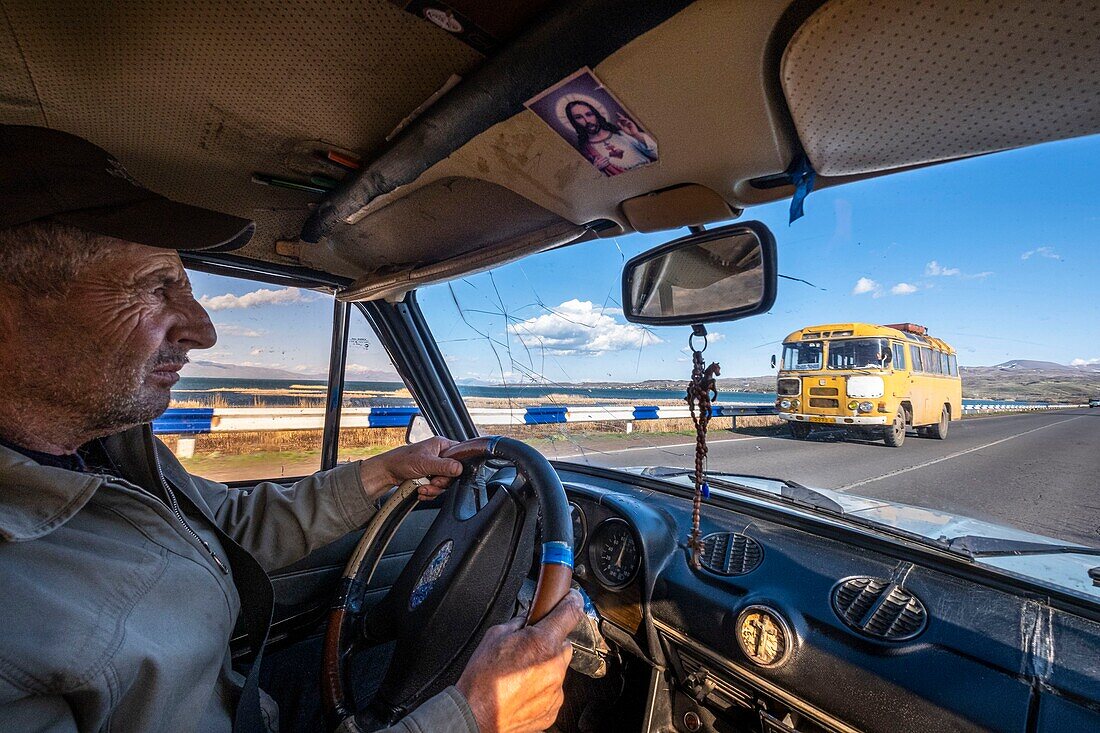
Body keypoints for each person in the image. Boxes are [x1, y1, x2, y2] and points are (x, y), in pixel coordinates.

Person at [0, 125, 583, 733]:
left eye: (187, 287)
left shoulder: (104, 448)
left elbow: (224, 527)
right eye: (153, 288)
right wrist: (472, 719)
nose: (203, 329)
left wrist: (383, 470)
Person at [564, 100, 658, 176]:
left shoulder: (621, 134)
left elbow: (657, 154)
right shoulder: (587, 152)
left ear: (596, 115)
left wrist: (636, 134)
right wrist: (596, 171)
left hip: (653, 174)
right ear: (574, 122)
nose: (587, 120)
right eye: (578, 117)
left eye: (589, 114)